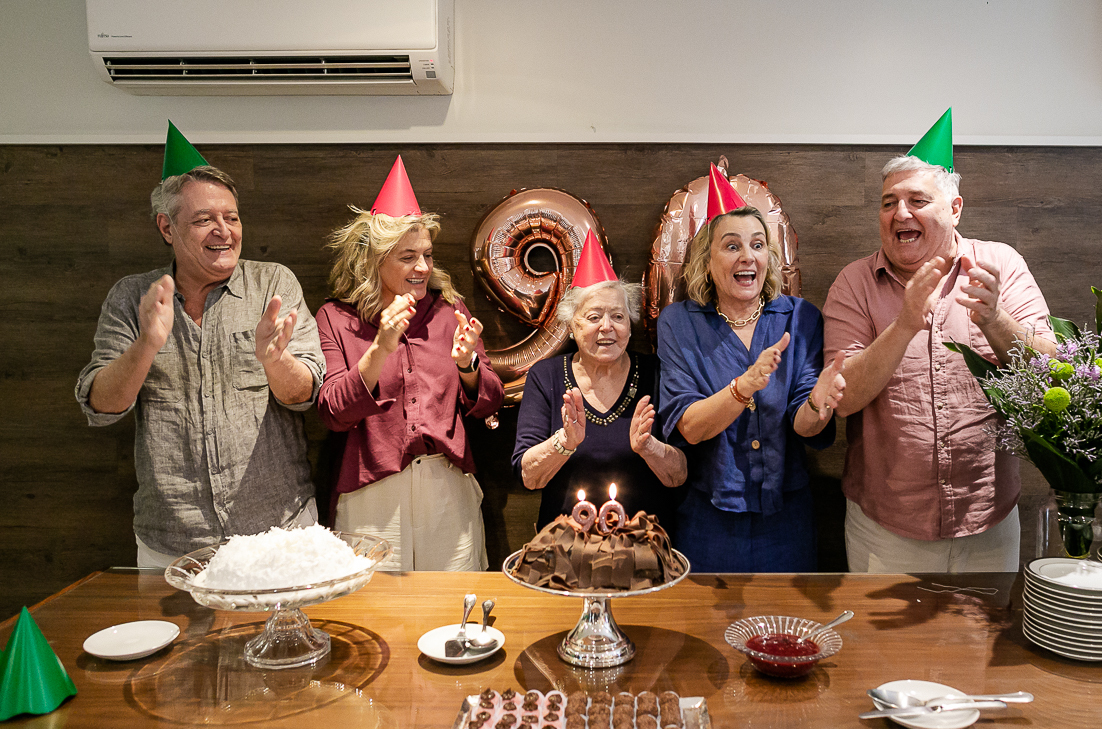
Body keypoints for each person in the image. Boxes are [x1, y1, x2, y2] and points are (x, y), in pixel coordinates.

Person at [75, 122, 324, 566]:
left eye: (231, 218)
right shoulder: (133, 297)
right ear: (166, 227)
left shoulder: (273, 283)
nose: (223, 231)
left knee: (289, 637)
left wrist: (275, 360)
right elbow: (101, 406)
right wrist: (147, 344)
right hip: (172, 539)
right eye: (204, 220)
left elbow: (305, 394)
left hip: (277, 529)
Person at [823, 109, 1057, 573]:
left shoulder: (1000, 265)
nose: (900, 213)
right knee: (885, 650)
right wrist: (905, 322)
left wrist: (994, 318)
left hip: (988, 519)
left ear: (955, 210)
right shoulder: (854, 283)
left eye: (916, 200)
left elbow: (1050, 375)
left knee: (984, 645)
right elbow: (842, 397)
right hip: (885, 527)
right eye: (888, 203)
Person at [316, 156, 503, 571]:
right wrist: (380, 347)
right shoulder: (336, 317)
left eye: (427, 255)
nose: (422, 267)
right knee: (377, 619)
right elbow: (331, 411)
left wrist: (469, 364)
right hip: (373, 494)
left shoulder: (448, 310)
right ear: (374, 260)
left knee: (454, 618)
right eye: (407, 257)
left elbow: (491, 401)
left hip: (446, 488)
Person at [656, 165, 846, 573]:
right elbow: (688, 426)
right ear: (707, 262)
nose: (747, 256)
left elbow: (805, 423)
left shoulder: (800, 318)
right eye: (731, 246)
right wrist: (742, 388)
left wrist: (818, 403)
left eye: (758, 245)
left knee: (787, 631)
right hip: (708, 522)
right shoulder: (678, 324)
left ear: (769, 258)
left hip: (787, 520)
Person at [513, 230, 687, 531]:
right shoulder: (546, 377)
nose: (607, 327)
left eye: (618, 317)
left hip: (644, 548)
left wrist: (650, 448)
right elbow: (529, 477)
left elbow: (679, 474)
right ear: (572, 326)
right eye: (594, 317)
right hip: (567, 551)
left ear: (630, 328)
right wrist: (564, 443)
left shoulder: (656, 373)